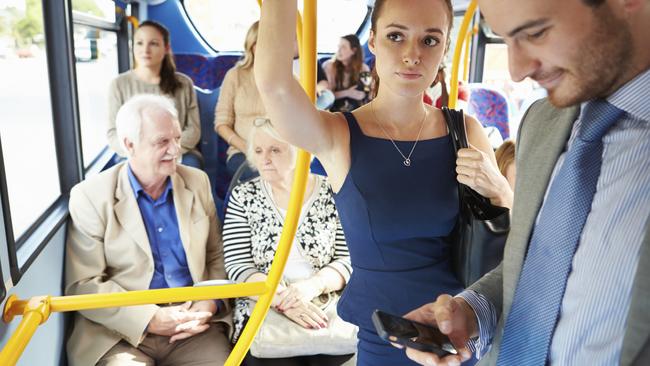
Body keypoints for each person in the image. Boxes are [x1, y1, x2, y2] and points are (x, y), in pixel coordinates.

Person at [254, 0, 513, 364]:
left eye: (429, 41)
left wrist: (501, 191)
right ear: (372, 41)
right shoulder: (339, 135)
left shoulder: (465, 131)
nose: (412, 55)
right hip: (384, 340)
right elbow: (275, 86)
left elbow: (511, 238)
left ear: (444, 49)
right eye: (396, 36)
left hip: (457, 333)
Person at [402, 0, 650, 365]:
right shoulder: (542, 122)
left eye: (535, 33)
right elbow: (536, 265)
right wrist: (472, 312)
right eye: (504, 39)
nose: (517, 71)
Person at [65, 94, 231, 366]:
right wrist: (148, 319)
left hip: (194, 324)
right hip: (120, 332)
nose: (176, 150)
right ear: (129, 144)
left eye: (177, 139)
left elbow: (216, 255)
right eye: (162, 142)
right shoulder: (91, 196)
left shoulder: (196, 182)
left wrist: (209, 302)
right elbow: (83, 284)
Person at [223, 121, 355, 365]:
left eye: (275, 150)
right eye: (259, 151)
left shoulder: (332, 192)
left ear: (301, 151)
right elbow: (237, 266)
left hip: (325, 297)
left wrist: (312, 287)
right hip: (265, 300)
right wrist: (284, 300)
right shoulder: (244, 196)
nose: (265, 159)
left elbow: (348, 258)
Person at [107, 20, 202, 168]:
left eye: (153, 43)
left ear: (166, 48)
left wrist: (167, 151)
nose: (145, 49)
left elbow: (193, 130)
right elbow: (113, 133)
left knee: (192, 167)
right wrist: (144, 154)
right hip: (134, 154)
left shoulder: (184, 84)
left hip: (178, 151)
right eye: (139, 43)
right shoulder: (119, 85)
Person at [215, 21, 267, 178]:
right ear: (252, 46)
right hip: (241, 151)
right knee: (258, 175)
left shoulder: (289, 79)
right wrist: (248, 149)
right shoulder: (235, 76)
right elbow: (221, 124)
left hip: (277, 151)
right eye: (264, 43)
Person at [319, 34, 371, 112]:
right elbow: (327, 96)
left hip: (355, 111)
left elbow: (368, 91)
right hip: (333, 111)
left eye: (343, 47)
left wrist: (368, 92)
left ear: (353, 50)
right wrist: (348, 93)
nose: (339, 50)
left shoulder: (364, 68)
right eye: (338, 47)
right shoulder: (329, 66)